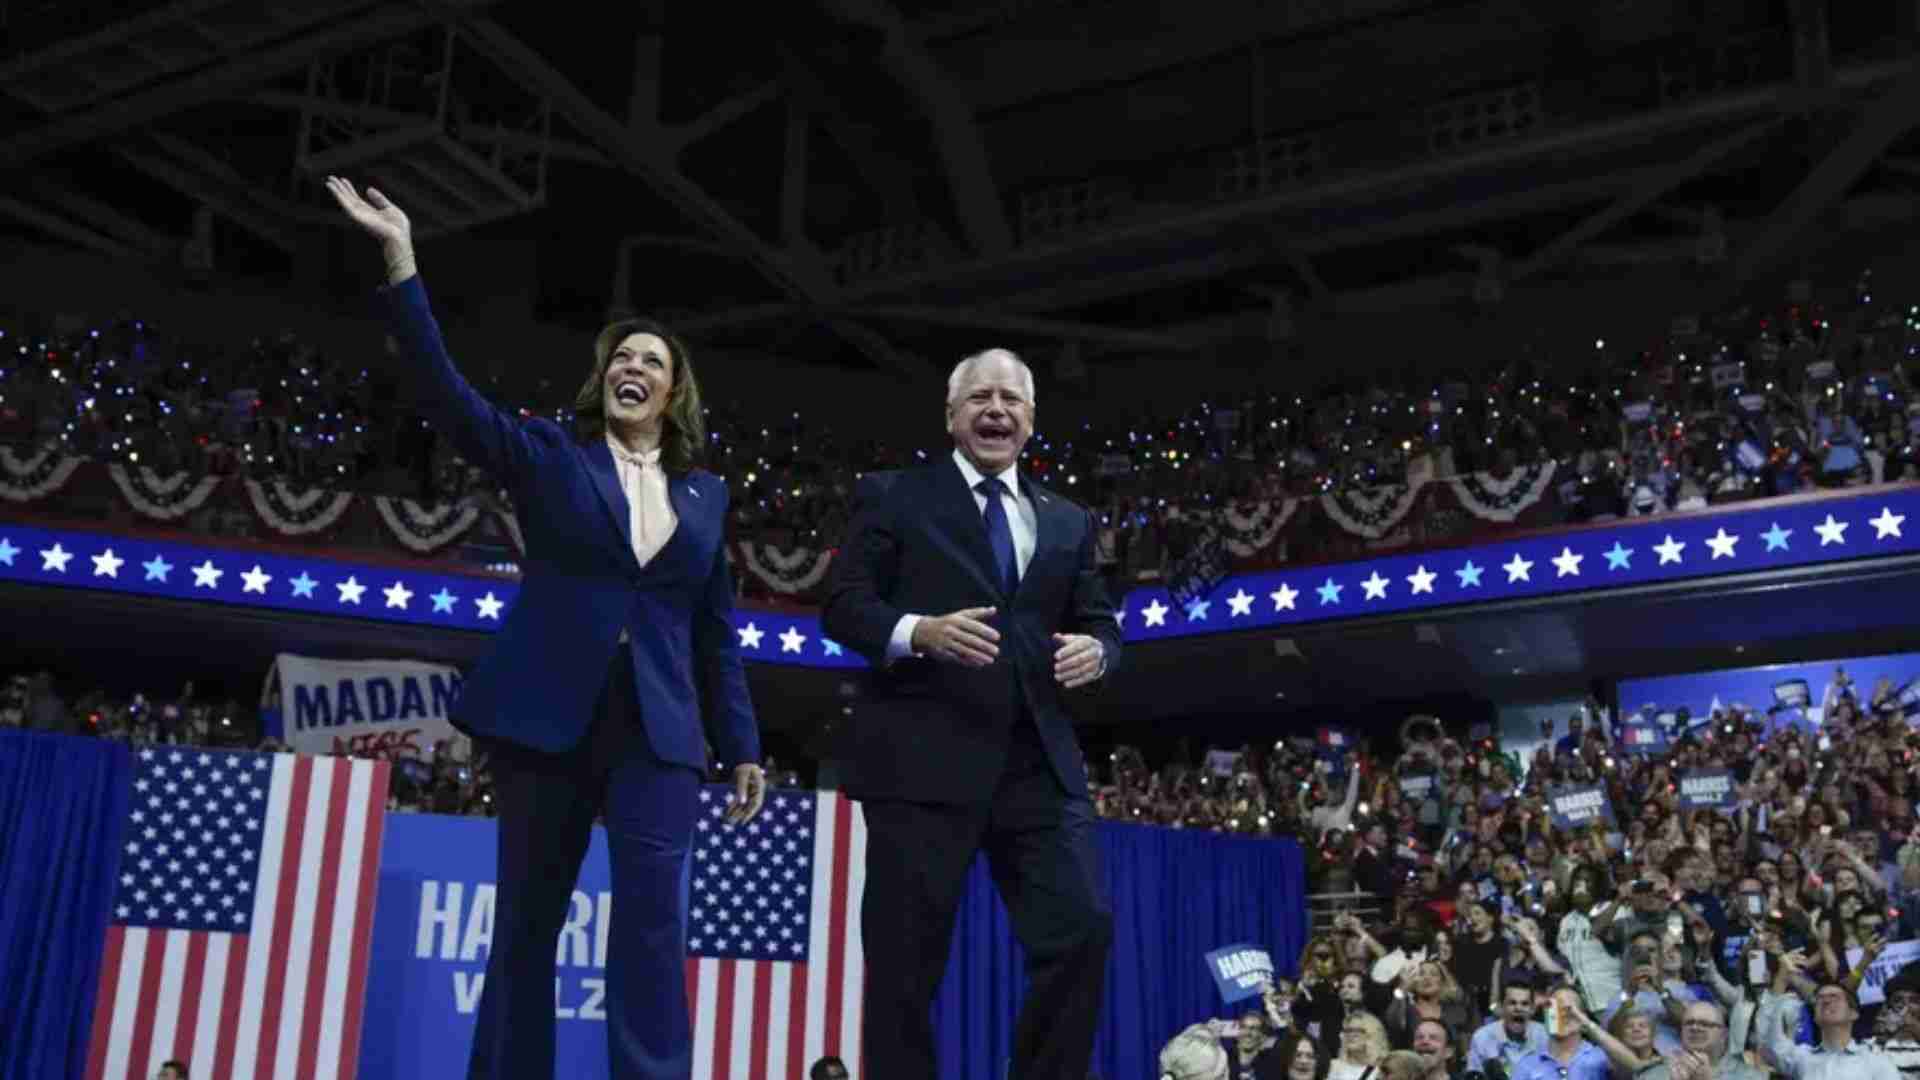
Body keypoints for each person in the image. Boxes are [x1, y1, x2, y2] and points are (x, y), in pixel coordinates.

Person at [326, 177, 765, 1080]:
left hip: (660, 733)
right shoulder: (550, 453)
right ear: (604, 379)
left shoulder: (707, 495)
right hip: (547, 722)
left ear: (675, 390)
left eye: (650, 359)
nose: (630, 367)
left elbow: (714, 631)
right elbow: (447, 397)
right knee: (527, 926)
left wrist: (744, 744)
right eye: (618, 358)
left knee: (652, 929)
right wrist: (402, 261)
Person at [822, 347, 1122, 1079]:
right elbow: (842, 604)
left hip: (1036, 767)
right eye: (980, 397)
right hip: (923, 758)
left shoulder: (1069, 520)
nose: (996, 410)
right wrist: (917, 632)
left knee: (1082, 931)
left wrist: (1101, 653)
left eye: (1011, 400)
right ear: (952, 416)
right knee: (903, 968)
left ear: (1030, 420)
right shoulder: (894, 494)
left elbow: (1102, 621)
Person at [1754, 975, 1903, 1080]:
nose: (1825, 1001)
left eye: (1834, 997)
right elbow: (1767, 1041)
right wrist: (1780, 981)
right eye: (1820, 999)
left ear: (1853, 1013)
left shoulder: (1876, 1061)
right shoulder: (1802, 1059)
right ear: (1815, 1017)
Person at [1635, 1001, 1765, 1080]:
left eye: (1705, 1024)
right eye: (1689, 1023)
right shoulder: (1652, 1075)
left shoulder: (1751, 1077)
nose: (1695, 1028)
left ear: (1723, 1034)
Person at [1510, 987, 1611, 1080]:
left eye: (1568, 1010)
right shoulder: (1527, 1065)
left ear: (1582, 1017)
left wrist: (1589, 1025)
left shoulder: (1601, 1059)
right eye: (1555, 1009)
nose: (1562, 1014)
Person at [1469, 984, 1548, 1075]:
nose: (1518, 1008)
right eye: (1512, 1003)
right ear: (1501, 1007)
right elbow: (1474, 1075)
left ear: (1532, 1009)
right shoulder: (1482, 1038)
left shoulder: (1543, 1035)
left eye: (1524, 1004)